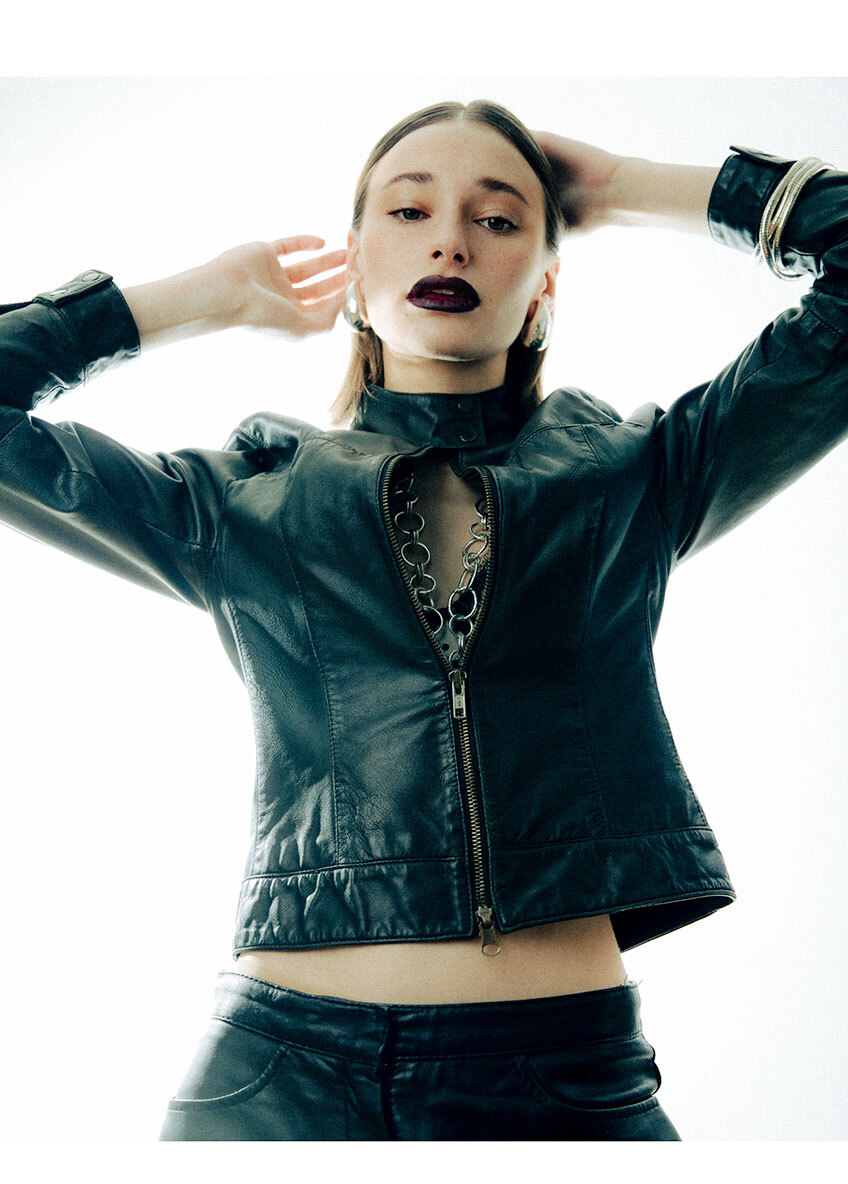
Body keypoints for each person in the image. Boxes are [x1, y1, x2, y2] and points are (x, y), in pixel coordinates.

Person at [1, 98, 845, 1141]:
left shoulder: (638, 477)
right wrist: (197, 298)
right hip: (279, 1083)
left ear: (544, 285)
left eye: (497, 219)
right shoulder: (240, 504)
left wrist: (624, 186)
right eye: (408, 212)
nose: (450, 240)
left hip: (569, 1083)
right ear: (356, 269)